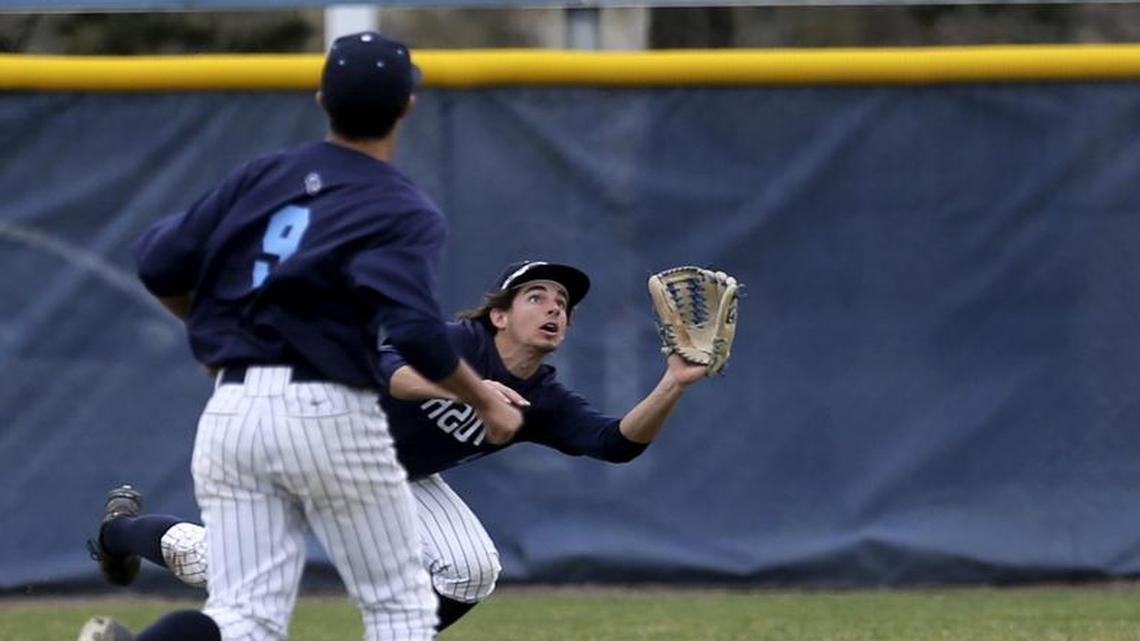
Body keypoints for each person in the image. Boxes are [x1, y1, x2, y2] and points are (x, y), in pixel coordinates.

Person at [80, 31, 523, 641]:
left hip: (234, 409)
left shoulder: (264, 175)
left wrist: (212, 334)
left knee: (243, 616)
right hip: (329, 408)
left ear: (322, 98)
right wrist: (482, 398)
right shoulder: (400, 205)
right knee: (399, 610)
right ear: (407, 107)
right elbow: (417, 333)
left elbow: (160, 263)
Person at [87, 259, 709, 633]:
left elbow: (614, 444)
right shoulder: (458, 342)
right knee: (214, 569)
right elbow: (385, 369)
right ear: (499, 315)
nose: (554, 309)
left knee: (470, 570)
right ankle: (119, 532)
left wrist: (672, 383)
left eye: (563, 304)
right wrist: (472, 391)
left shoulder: (542, 396)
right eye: (536, 297)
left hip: (394, 474)